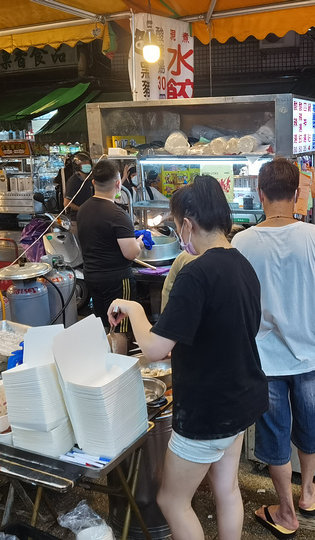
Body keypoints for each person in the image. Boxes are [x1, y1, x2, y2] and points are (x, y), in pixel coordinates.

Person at [108, 176, 268, 540]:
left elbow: (154, 348)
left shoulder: (196, 273)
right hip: (241, 399)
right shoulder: (242, 264)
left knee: (172, 501)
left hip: (207, 412)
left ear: (187, 224)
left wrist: (132, 307)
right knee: (226, 490)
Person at [232, 158, 315, 538]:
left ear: (260, 194)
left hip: (263, 362)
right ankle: (309, 492)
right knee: (310, 427)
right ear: (297, 194)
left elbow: (236, 308)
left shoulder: (241, 242)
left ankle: (284, 511)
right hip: (310, 355)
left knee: (274, 434)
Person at [77, 159, 143, 337]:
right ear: (118, 183)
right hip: (117, 280)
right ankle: (119, 363)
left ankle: (106, 360)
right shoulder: (118, 215)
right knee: (120, 327)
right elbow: (130, 254)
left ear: (93, 183)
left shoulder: (83, 209)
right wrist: (140, 243)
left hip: (92, 277)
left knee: (104, 324)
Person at [64, 152, 94, 220]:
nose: (87, 165)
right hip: (77, 217)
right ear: (77, 165)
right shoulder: (74, 181)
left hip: (89, 216)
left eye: (88, 163)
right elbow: (66, 203)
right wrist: (82, 209)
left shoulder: (89, 179)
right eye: (84, 163)